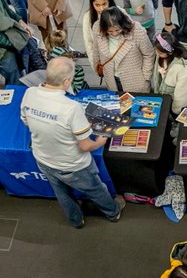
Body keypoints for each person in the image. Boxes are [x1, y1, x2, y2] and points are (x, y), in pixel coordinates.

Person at [21, 57, 124, 227]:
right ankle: (112, 212)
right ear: (67, 81)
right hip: (72, 165)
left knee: (61, 193)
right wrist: (100, 141)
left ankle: (76, 220)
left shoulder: (30, 93)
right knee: (96, 190)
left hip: (43, 159)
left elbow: (25, 121)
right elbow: (85, 146)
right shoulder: (71, 107)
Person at [93, 7, 153, 94]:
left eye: (117, 30)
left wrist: (146, 76)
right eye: (110, 31)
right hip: (112, 79)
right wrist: (97, 67)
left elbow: (149, 54)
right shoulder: (97, 28)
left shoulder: (136, 30)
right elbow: (96, 50)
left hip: (136, 80)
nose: (114, 34)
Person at [151, 30, 187, 118]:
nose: (157, 54)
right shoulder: (163, 56)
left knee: (174, 118)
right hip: (164, 96)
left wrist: (176, 109)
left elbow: (182, 92)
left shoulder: (183, 68)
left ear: (170, 52)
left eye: (160, 53)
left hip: (174, 101)